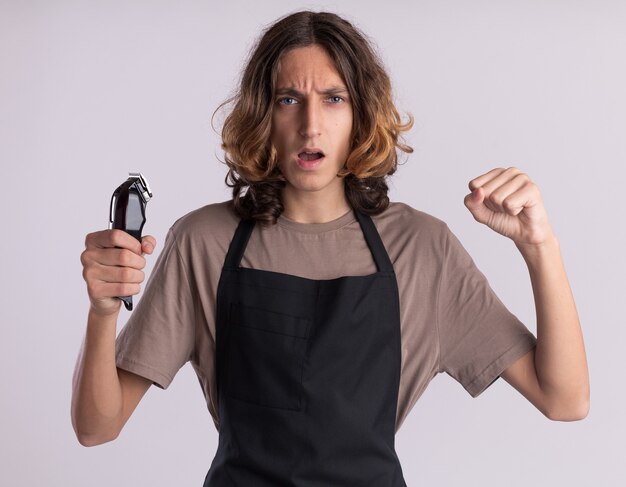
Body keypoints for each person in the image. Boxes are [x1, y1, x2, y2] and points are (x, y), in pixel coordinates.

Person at [72, 10, 590, 486]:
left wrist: (539, 247)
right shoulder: (204, 241)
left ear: (361, 115)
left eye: (334, 98)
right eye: (288, 99)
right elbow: (98, 427)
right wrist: (101, 311)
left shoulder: (422, 249)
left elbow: (564, 399)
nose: (310, 124)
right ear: (263, 114)